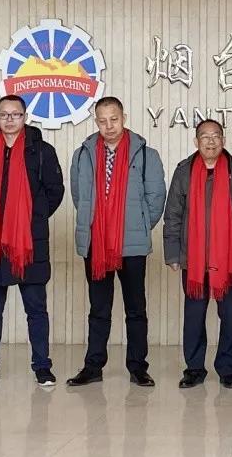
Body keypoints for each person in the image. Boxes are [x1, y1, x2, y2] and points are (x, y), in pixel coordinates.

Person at [66, 97, 167, 388]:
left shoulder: (146, 154)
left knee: (135, 309)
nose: (108, 126)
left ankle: (138, 368)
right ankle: (93, 366)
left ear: (124, 117)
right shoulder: (83, 155)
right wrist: (99, 225)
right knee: (98, 308)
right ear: (95, 122)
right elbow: (79, 196)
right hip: (96, 243)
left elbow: (156, 197)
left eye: (114, 119)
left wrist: (138, 226)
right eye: (102, 121)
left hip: (132, 244)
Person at [0, 95, 64, 387]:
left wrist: (32, 217)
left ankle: (42, 366)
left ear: (25, 117)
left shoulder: (42, 151)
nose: (9, 120)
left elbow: (55, 191)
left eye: (15, 114)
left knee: (36, 309)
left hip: (29, 242)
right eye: (4, 115)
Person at [163, 119, 232, 389]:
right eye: (205, 136)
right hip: (192, 259)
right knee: (194, 316)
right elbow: (173, 215)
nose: (210, 141)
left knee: (229, 315)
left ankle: (228, 369)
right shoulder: (184, 172)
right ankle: (194, 369)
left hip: (228, 259)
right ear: (196, 142)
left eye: (216, 136)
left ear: (223, 140)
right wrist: (172, 254)